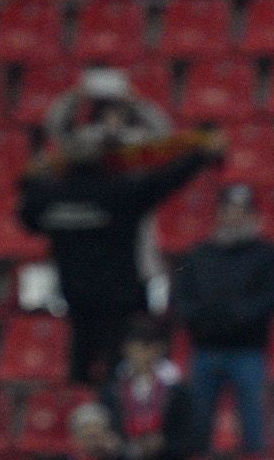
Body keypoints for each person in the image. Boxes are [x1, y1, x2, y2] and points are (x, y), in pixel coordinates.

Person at [20, 110, 223, 386]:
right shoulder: (119, 192)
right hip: (120, 298)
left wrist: (34, 177)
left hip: (79, 299)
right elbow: (164, 181)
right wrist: (199, 155)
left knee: (81, 374)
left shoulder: (51, 195)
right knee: (120, 378)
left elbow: (26, 213)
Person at [173, 185, 274, 455]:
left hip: (249, 352)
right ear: (219, 214)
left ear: (251, 215)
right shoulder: (197, 254)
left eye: (241, 211)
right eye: (228, 210)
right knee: (196, 431)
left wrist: (236, 319)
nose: (234, 216)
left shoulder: (267, 255)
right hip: (204, 351)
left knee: (255, 432)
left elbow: (272, 298)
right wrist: (205, 321)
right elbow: (182, 297)